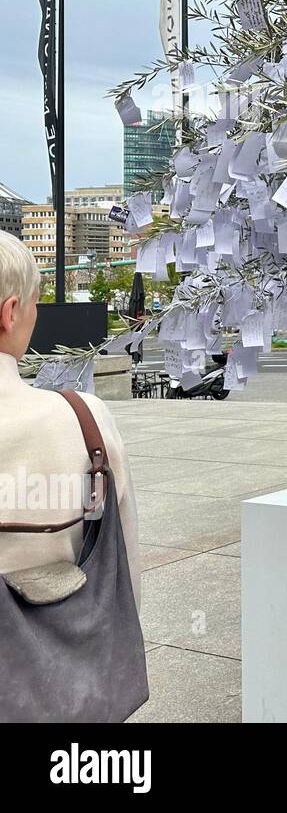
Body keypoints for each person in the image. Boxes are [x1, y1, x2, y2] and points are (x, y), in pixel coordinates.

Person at [0, 232, 141, 611]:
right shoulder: (84, 421)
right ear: (10, 313)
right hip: (54, 658)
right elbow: (122, 573)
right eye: (35, 303)